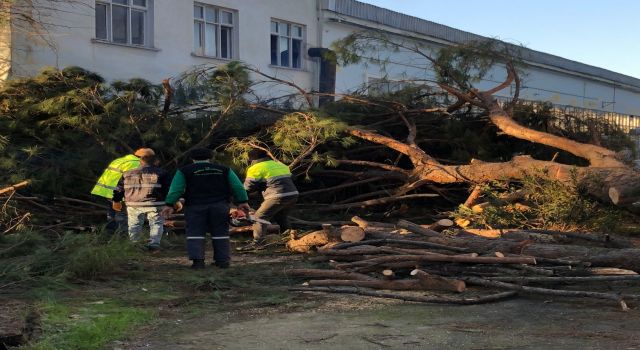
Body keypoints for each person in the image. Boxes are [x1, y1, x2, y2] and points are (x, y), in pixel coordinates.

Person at [162, 148, 249, 269]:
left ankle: (198, 262)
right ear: (211, 157)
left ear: (192, 158)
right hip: (220, 206)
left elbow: (176, 189)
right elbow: (237, 187)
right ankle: (222, 261)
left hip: (195, 206)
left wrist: (169, 204)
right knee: (220, 233)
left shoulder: (184, 171)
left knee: (195, 232)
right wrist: (242, 201)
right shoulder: (224, 170)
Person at [112, 148, 171, 251]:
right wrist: (171, 202)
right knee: (156, 224)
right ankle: (154, 245)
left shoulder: (127, 173)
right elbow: (168, 189)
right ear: (155, 161)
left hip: (132, 203)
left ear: (140, 160)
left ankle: (135, 245)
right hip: (155, 203)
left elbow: (119, 189)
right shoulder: (162, 173)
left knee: (134, 225)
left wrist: (116, 200)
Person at [243, 149, 298, 244]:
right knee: (281, 217)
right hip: (293, 194)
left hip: (277, 195)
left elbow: (247, 188)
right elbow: (292, 178)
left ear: (251, 159)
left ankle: (258, 242)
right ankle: (289, 239)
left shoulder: (255, 168)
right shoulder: (279, 164)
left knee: (259, 217)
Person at [91, 148, 148, 231]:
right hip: (120, 194)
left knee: (112, 215)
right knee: (123, 216)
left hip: (108, 192)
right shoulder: (136, 164)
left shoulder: (120, 160)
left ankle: (110, 236)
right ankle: (122, 239)